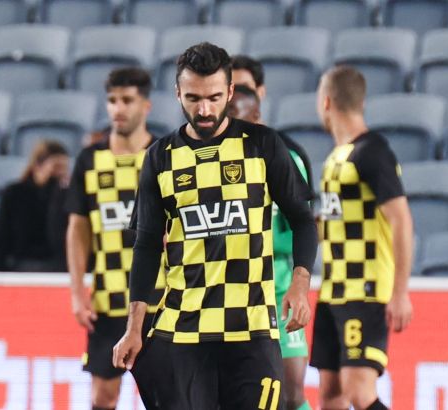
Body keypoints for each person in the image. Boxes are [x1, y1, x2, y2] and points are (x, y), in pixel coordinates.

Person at [112, 42, 318, 410]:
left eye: (213, 98)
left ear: (230, 92)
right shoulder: (160, 157)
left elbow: (303, 221)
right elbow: (146, 246)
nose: (204, 110)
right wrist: (133, 327)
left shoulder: (263, 146)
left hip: (252, 327)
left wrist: (300, 284)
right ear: (178, 92)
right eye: (193, 98)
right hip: (184, 329)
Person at [311, 65, 414, 410]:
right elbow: (333, 223)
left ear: (326, 102)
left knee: (359, 390)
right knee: (330, 395)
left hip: (364, 289)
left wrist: (400, 292)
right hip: (333, 291)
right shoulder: (337, 157)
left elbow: (401, 219)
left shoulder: (372, 151)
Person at [66, 67, 165, 410]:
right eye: (112, 100)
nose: (118, 109)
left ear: (146, 105)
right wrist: (77, 292)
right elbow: (78, 229)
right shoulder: (90, 160)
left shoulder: (162, 155)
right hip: (109, 299)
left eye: (127, 100)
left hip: (159, 299)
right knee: (102, 397)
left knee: (167, 396)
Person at [228, 84, 313, 410]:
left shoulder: (286, 159)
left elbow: (303, 228)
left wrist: (298, 283)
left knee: (291, 394)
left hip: (276, 289)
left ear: (256, 116)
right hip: (229, 295)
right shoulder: (211, 162)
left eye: (235, 114)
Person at [0, 140, 69, 272]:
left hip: (58, 265)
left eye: (64, 168)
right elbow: (0, 237)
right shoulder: (15, 193)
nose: (61, 173)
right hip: (23, 263)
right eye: (56, 167)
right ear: (37, 165)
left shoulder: (67, 196)